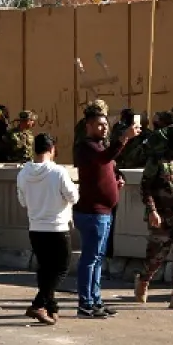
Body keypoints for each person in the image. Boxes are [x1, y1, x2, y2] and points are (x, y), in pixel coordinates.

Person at [72, 104, 130, 318]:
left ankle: (95, 300)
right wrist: (124, 139)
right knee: (90, 258)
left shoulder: (99, 146)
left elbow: (103, 169)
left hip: (103, 211)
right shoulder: (87, 147)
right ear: (89, 126)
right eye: (100, 125)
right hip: (92, 212)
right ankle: (85, 303)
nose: (105, 128)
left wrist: (115, 183)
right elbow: (104, 158)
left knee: (98, 258)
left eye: (106, 125)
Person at [133, 116, 173, 310]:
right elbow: (146, 187)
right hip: (161, 215)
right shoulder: (157, 160)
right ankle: (143, 280)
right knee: (156, 256)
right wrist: (152, 211)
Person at [17, 133, 77, 326]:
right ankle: (38, 304)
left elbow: (22, 201)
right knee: (61, 268)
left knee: (45, 268)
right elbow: (73, 197)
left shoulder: (23, 173)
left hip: (35, 227)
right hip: (57, 227)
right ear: (52, 149)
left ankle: (51, 306)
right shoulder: (58, 172)